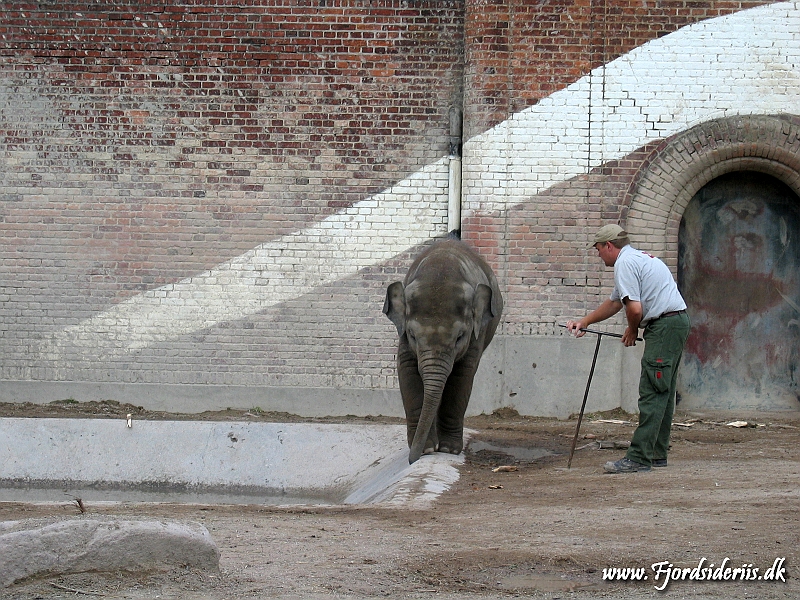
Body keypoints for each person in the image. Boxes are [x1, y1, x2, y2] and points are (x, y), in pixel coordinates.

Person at [566, 224, 691, 473]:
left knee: (653, 390)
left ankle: (639, 457)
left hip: (664, 325)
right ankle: (656, 453)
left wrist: (632, 330)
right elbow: (615, 303)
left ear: (609, 246)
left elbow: (634, 309)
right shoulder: (636, 258)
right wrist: (585, 321)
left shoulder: (625, 264)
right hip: (674, 322)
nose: (598, 254)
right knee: (662, 390)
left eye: (599, 249)